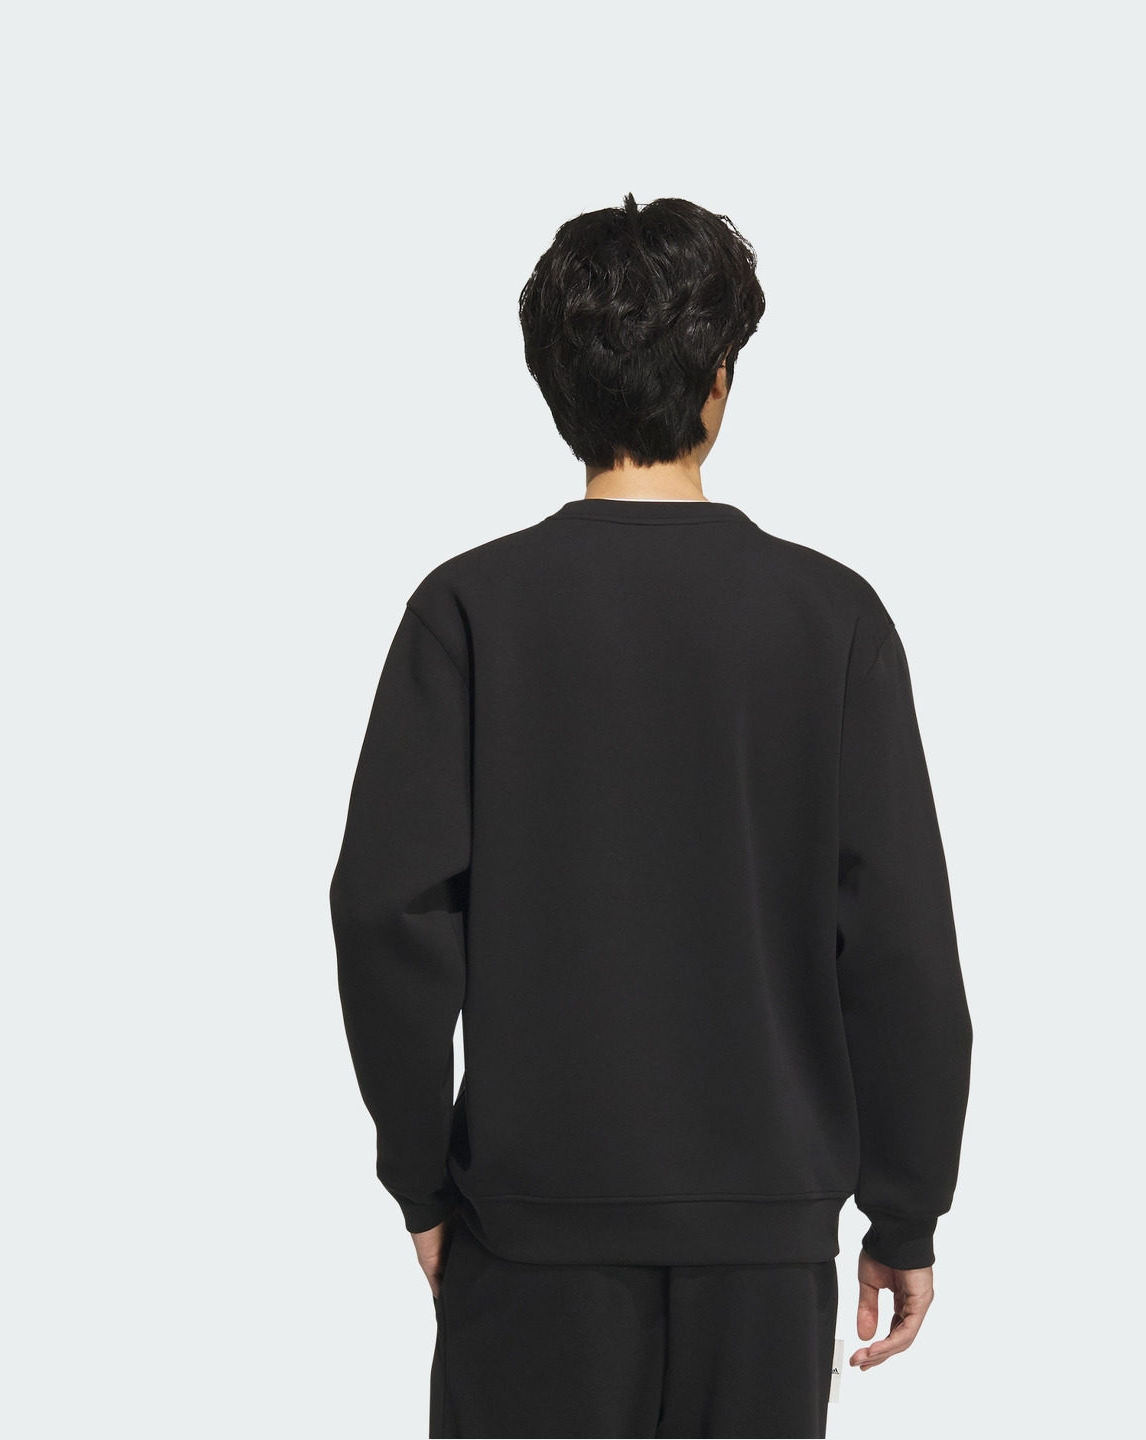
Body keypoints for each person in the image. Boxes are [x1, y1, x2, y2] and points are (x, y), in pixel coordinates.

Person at [329, 193, 973, 1439]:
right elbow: (898, 938)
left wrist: (421, 1177)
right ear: (720, 381)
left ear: (553, 384)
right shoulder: (831, 619)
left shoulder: (469, 611)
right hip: (767, 1250)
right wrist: (906, 1209)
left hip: (529, 1236)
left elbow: (384, 911)